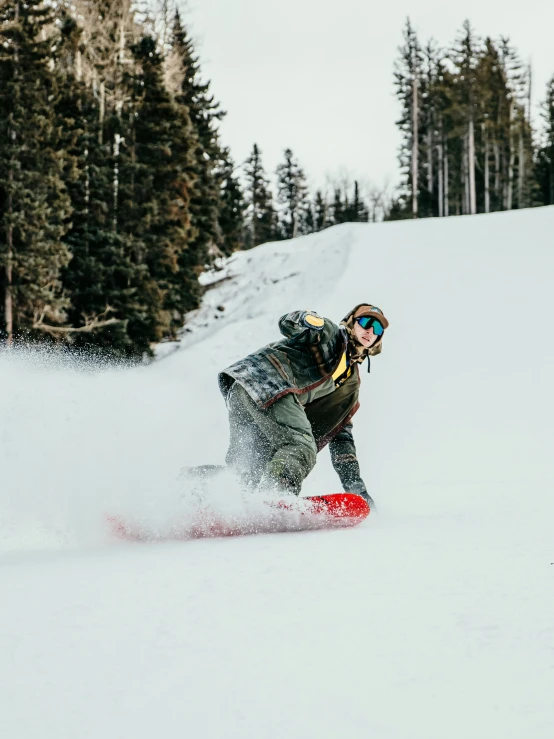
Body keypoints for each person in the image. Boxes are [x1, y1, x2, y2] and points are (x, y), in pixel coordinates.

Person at [218, 303, 389, 508]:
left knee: (246, 471)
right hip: (268, 383)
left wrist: (356, 488)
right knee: (300, 446)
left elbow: (342, 435)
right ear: (352, 323)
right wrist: (305, 320)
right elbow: (293, 323)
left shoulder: (349, 386)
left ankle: (198, 492)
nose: (370, 331)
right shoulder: (332, 336)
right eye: (366, 322)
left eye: (378, 329)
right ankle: (275, 496)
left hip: (244, 391)